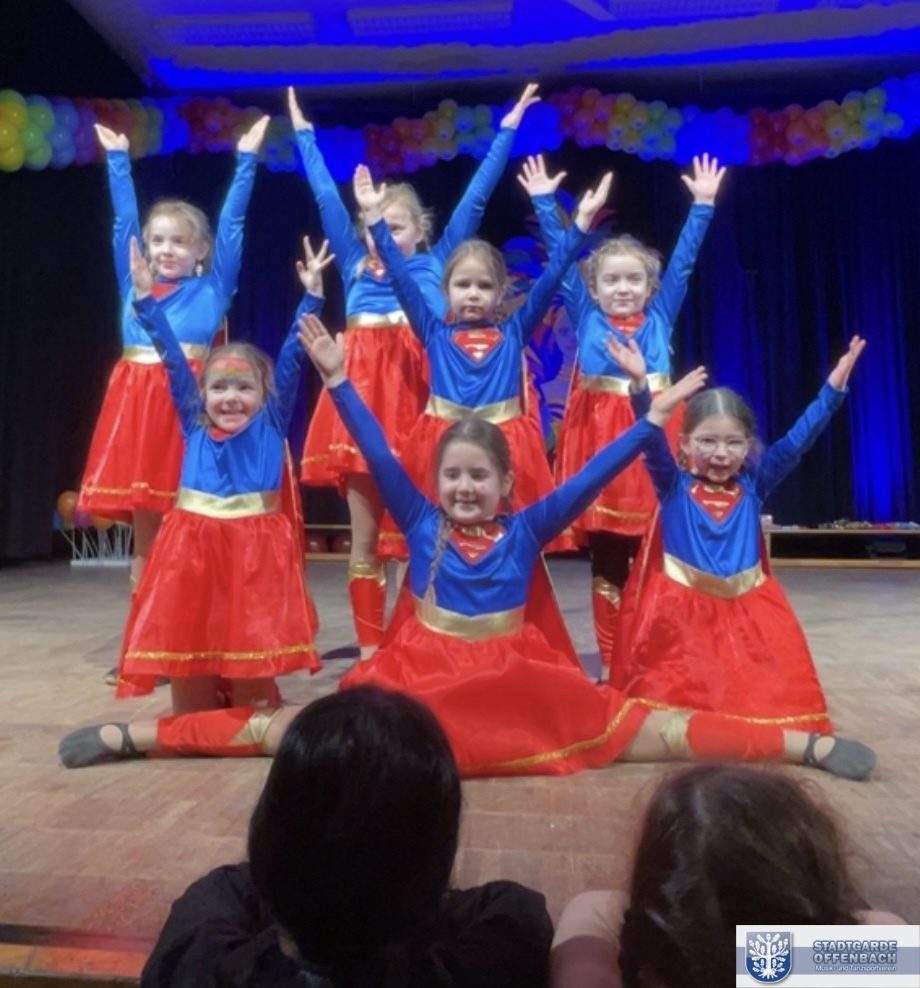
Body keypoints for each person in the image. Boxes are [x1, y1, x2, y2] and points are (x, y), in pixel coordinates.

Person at [58, 325, 874, 782]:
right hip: (421, 674)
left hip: (513, 675)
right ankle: (139, 738)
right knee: (300, 735)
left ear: (506, 483)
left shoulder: (528, 526)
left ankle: (802, 748)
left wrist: (646, 421)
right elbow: (379, 451)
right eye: (453, 475)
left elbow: (591, 477)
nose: (464, 487)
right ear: (437, 481)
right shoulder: (419, 518)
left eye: (479, 476)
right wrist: (339, 381)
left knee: (646, 733)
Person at [290, 84, 540, 658]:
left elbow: (476, 197)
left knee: (419, 536)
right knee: (365, 540)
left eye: (396, 226)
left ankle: (416, 638)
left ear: (421, 231)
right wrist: (303, 134)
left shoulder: (437, 263)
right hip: (360, 411)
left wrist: (507, 129)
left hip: (418, 413)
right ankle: (370, 651)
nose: (383, 234)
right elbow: (327, 198)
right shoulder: (355, 263)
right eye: (375, 225)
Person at [137, 686, 554, 988]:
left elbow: (232, 885)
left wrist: (314, 872)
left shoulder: (199, 954)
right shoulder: (494, 957)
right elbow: (511, 906)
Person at [518, 153, 725, 678]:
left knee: (657, 555)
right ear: (594, 288)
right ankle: (612, 665)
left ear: (650, 288)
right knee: (608, 562)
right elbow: (562, 262)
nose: (623, 288)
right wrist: (545, 203)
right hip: (602, 443)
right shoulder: (586, 313)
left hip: (654, 439)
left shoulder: (659, 317)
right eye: (611, 280)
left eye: (634, 280)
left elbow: (683, 264)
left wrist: (702, 206)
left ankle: (656, 659)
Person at [108, 236, 328, 711]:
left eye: (244, 388)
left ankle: (243, 716)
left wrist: (311, 296)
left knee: (252, 703)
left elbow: (293, 356)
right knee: (191, 699)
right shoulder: (193, 422)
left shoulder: (272, 422)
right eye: (220, 388)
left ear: (264, 394)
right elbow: (171, 354)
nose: (231, 398)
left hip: (253, 561)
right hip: (191, 556)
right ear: (202, 394)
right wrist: (145, 299)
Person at [350, 162, 613, 555]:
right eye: (463, 285)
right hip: (442, 447)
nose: (473, 293)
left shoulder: (514, 332)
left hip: (502, 449)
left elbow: (553, 275)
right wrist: (373, 216)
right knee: (436, 546)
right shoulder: (432, 332)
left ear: (501, 292)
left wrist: (579, 224)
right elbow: (401, 277)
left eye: (484, 286)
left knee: (507, 548)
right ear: (446, 291)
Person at [612, 337, 867, 733]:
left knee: (757, 705)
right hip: (681, 618)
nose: (721, 453)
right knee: (681, 713)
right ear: (684, 444)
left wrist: (832, 391)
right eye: (707, 441)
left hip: (748, 612)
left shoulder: (754, 484)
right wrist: (640, 388)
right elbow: (648, 436)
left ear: (748, 446)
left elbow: (798, 441)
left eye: (733, 443)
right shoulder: (672, 485)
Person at [77, 117, 269, 607]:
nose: (165, 250)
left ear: (201, 251)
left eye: (179, 241)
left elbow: (233, 227)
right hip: (138, 410)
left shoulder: (213, 289)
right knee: (146, 533)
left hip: (187, 411)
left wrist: (246, 162)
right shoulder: (134, 282)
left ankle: (199, 624)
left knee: (194, 521)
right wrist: (118, 162)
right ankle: (145, 632)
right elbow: (123, 224)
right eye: (158, 240)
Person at [551, 764, 907, 988]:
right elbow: (887, 929)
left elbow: (591, 908)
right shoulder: (839, 964)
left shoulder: (607, 972)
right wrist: (786, 958)